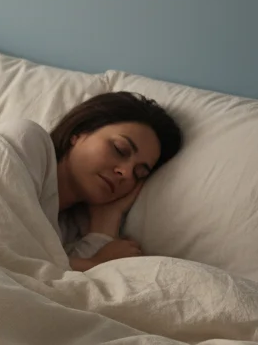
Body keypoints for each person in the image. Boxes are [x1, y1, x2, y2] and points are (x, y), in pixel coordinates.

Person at [46, 92, 183, 271]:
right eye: (120, 149)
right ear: (79, 133)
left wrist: (106, 222)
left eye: (139, 173)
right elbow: (7, 254)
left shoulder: (66, 231)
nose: (126, 173)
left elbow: (61, 286)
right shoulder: (26, 144)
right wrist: (94, 263)